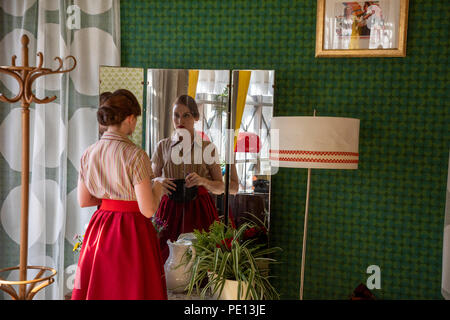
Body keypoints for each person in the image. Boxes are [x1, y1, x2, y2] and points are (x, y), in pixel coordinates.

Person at [72, 89, 167, 300]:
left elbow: (84, 200)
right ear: (130, 118)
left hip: (100, 229)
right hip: (132, 231)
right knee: (131, 289)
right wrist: (158, 186)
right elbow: (148, 209)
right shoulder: (136, 155)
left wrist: (111, 198)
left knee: (102, 288)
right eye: (135, 120)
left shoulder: (89, 152)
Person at [151, 95, 225, 263]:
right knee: (165, 259)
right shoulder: (162, 146)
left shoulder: (208, 148)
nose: (180, 120)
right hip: (168, 210)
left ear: (196, 117)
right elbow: (150, 181)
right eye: (176, 115)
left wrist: (203, 181)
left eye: (186, 115)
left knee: (201, 261)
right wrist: (158, 181)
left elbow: (221, 187)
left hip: (200, 211)